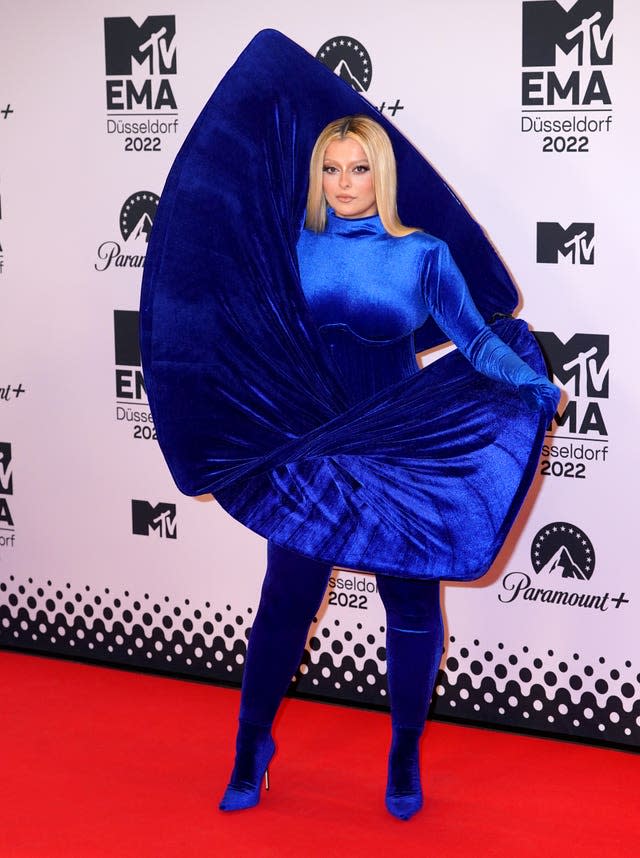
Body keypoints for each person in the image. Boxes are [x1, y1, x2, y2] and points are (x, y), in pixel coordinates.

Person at [217, 115, 560, 820]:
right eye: (331, 170)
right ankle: (252, 746)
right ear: (316, 177)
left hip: (400, 448)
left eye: (359, 169)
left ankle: (403, 752)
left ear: (383, 174)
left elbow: (475, 342)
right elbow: (247, 333)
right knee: (284, 603)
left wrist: (530, 384)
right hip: (314, 453)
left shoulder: (422, 255)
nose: (344, 185)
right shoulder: (290, 247)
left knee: (408, 606)